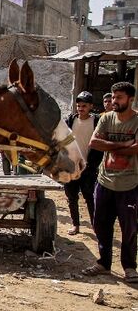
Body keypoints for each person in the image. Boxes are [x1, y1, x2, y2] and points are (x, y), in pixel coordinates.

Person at [83, 81, 138, 283]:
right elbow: (94, 143)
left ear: (130, 99)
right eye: (113, 97)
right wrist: (123, 144)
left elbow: (137, 149)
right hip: (104, 181)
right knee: (100, 225)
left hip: (130, 184)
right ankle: (103, 263)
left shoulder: (136, 120)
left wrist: (110, 146)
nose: (114, 101)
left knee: (129, 229)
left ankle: (130, 267)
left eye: (119, 98)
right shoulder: (106, 118)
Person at [64, 91, 102, 235]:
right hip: (71, 167)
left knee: (90, 198)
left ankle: (95, 226)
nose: (80, 108)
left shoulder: (97, 121)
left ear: (91, 106)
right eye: (78, 105)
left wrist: (93, 164)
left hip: (89, 167)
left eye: (84, 106)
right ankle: (76, 225)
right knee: (71, 197)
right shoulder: (70, 120)